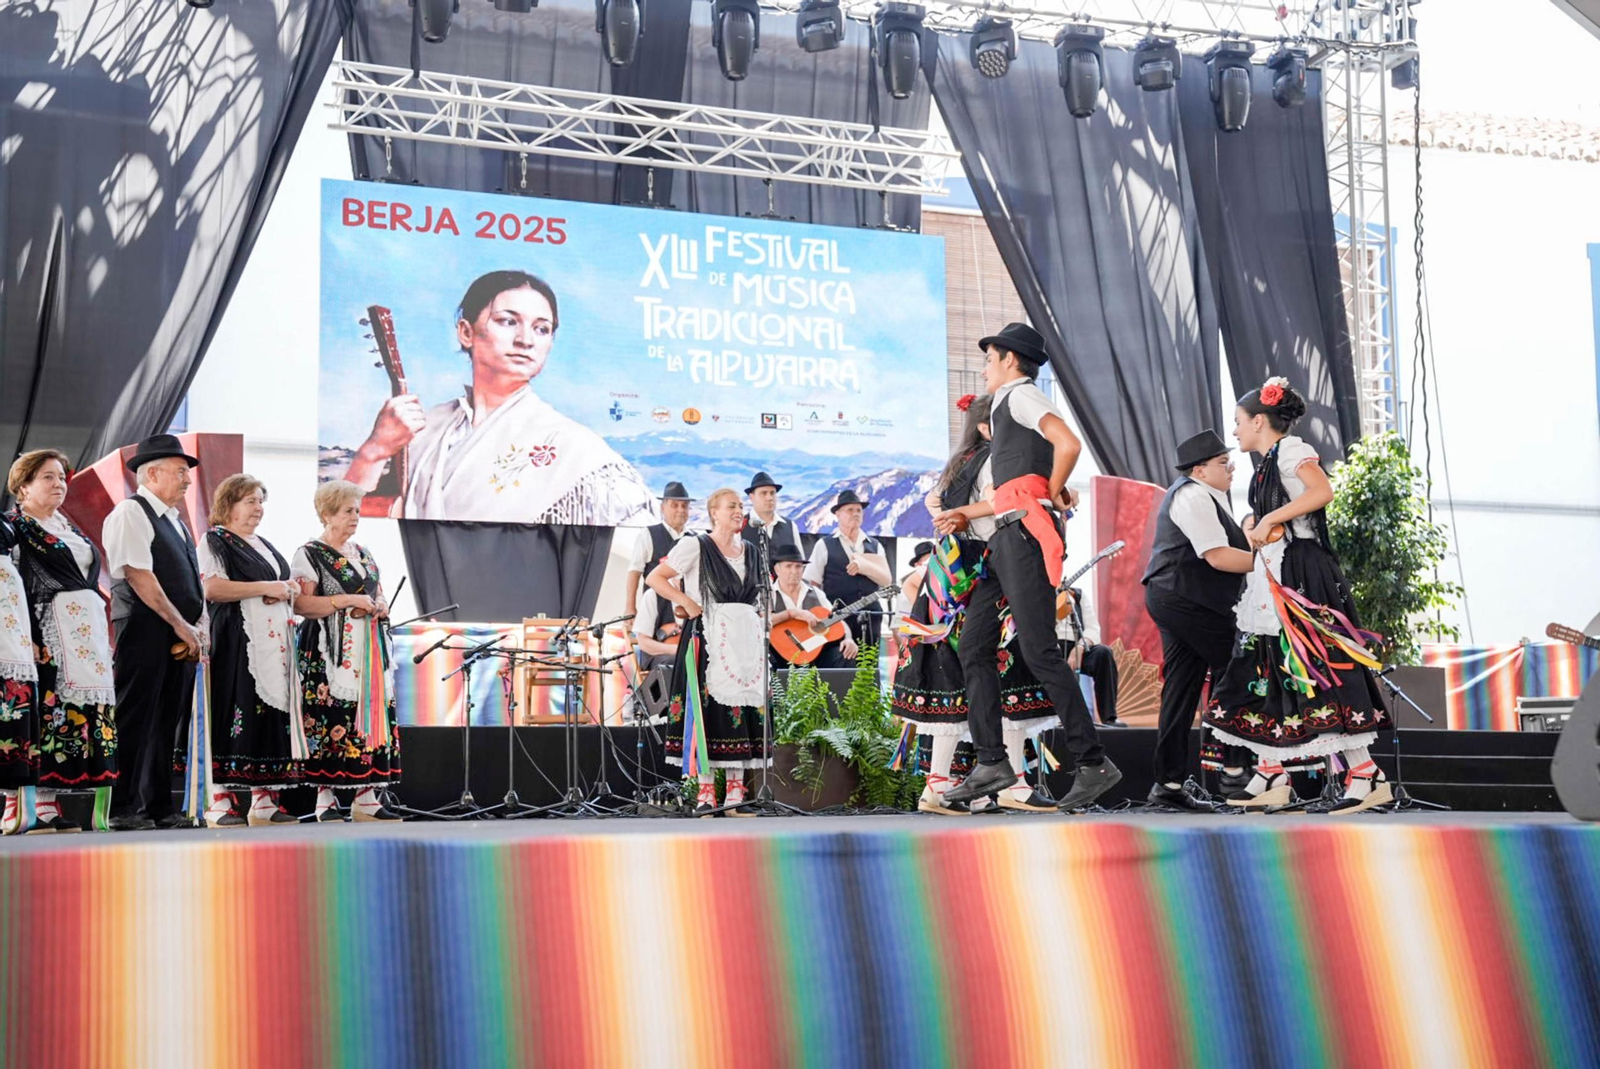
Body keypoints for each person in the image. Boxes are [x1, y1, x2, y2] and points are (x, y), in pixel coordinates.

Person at [939, 323, 1119, 811]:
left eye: (989, 357)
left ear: (1010, 361)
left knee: (1040, 651)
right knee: (973, 645)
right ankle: (992, 760)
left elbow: (1068, 444)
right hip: (1005, 536)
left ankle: (1092, 761)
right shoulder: (1004, 406)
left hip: (1023, 536)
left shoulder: (1020, 397)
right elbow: (1007, 494)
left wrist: (1052, 490)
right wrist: (965, 513)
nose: (983, 365)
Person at [1203, 379, 1391, 813]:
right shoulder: (1269, 461)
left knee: (1319, 666)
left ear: (1258, 420)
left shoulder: (1289, 451)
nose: (1234, 432)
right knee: (1267, 664)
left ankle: (1365, 772)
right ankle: (1271, 770)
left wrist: (1270, 516)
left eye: (1238, 423)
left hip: (1302, 574)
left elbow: (1322, 490)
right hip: (1275, 573)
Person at [344, 269, 655, 525]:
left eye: (542, 329)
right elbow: (345, 522)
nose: (526, 340)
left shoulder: (575, 447)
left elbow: (638, 538)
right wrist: (374, 450)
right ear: (466, 332)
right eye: (508, 321)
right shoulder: (426, 428)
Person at [894, 394, 1058, 815]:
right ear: (989, 428)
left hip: (948, 581)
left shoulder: (958, 464)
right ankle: (1012, 782)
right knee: (1007, 677)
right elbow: (1003, 506)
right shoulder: (992, 463)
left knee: (959, 682)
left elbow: (936, 507)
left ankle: (942, 783)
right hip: (988, 575)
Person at [1141, 430, 1256, 812]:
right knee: (1238, 666)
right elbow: (1219, 557)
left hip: (1178, 598)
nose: (1231, 468)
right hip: (1183, 599)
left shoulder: (1207, 495)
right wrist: (1269, 563)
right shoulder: (1192, 496)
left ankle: (1168, 783)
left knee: (1182, 687)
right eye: (1223, 463)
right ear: (1200, 470)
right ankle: (1235, 768)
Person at [9, 451, 120, 834]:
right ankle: (35, 805)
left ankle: (56, 802)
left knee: (81, 712)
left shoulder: (67, 526)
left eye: (61, 477)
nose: (59, 484)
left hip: (85, 631)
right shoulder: (16, 528)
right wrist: (33, 638)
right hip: (48, 628)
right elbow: (17, 586)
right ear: (23, 486)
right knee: (52, 713)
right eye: (47, 477)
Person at [102, 435, 206, 831]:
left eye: (187, 472)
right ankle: (121, 807)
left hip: (177, 633)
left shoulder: (176, 521)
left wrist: (197, 625)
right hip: (144, 627)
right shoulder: (131, 512)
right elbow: (139, 576)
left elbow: (190, 581)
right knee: (135, 715)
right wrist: (181, 623)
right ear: (152, 473)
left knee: (166, 719)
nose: (186, 480)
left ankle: (159, 806)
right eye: (180, 471)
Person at [646, 487, 769, 815]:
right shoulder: (695, 545)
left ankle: (734, 794)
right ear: (714, 512)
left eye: (741, 506)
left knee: (740, 713)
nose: (738, 511)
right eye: (731, 506)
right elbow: (656, 577)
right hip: (707, 638)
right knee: (708, 714)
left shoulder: (752, 552)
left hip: (742, 643)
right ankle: (705, 793)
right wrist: (685, 601)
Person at [198, 475, 306, 827]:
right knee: (234, 707)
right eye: (249, 501)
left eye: (261, 501)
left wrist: (284, 589)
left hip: (274, 642)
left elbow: (281, 587)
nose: (258, 509)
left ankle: (263, 800)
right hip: (236, 638)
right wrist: (269, 587)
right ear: (227, 504)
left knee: (267, 711)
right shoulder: (215, 540)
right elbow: (213, 588)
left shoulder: (264, 544)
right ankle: (219, 801)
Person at [292, 480, 402, 822]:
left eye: (357, 509)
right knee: (332, 715)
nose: (355, 516)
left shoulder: (364, 553)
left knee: (369, 713)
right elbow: (301, 604)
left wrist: (380, 604)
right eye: (347, 511)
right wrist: (348, 600)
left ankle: (366, 795)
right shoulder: (310, 553)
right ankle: (325, 798)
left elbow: (377, 591)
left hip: (368, 649)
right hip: (329, 649)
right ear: (327, 515)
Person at [803, 489, 892, 651]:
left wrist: (865, 568)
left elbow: (886, 581)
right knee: (840, 664)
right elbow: (812, 584)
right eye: (850, 510)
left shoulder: (875, 545)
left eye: (859, 510)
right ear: (837, 514)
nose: (856, 514)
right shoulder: (825, 545)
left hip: (871, 615)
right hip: (837, 619)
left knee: (869, 667)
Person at [769, 542, 857, 670]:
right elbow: (761, 622)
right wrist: (792, 613)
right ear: (777, 570)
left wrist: (849, 639)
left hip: (814, 652)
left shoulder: (816, 593)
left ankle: (835, 690)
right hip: (780, 654)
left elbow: (837, 619)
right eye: (788, 566)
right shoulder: (769, 594)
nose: (794, 571)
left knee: (845, 654)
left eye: (798, 566)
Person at [625, 481, 693, 624]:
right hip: (656, 610)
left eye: (684, 506)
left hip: (687, 612)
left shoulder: (695, 539)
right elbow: (634, 572)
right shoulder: (648, 535)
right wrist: (630, 607)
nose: (681, 510)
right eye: (675, 505)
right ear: (663, 507)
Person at [1057, 589, 1124, 728]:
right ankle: (1059, 718)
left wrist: (1080, 647)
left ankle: (1109, 717)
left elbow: (1093, 629)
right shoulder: (1038, 591)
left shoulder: (1077, 595)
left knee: (1103, 653)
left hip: (1077, 645)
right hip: (1051, 647)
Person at [740, 471, 804, 560]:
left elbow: (799, 563)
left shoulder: (790, 526)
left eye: (772, 493)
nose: (769, 498)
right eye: (763, 493)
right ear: (752, 497)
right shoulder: (740, 526)